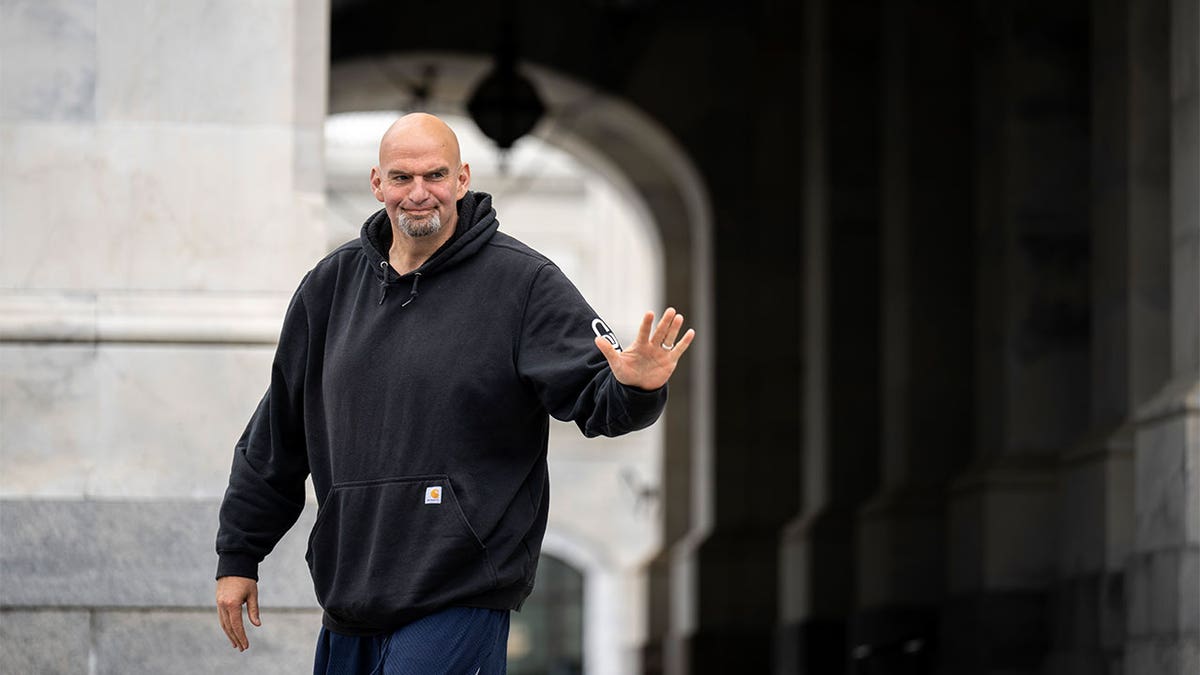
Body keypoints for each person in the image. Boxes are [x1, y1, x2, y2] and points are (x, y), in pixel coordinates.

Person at [214, 112, 694, 674]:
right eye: (401, 178)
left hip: (460, 590)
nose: (419, 194)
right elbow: (276, 435)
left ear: (462, 179)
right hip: (350, 594)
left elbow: (596, 396)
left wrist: (635, 386)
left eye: (435, 176)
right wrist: (239, 554)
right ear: (377, 184)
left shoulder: (524, 283)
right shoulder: (329, 287)